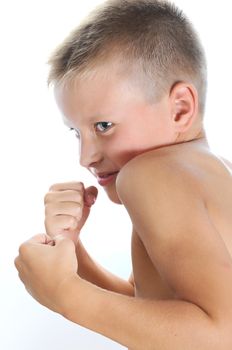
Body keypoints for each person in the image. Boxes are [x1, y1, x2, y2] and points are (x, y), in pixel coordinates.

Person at [15, 0, 232, 348]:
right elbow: (152, 311)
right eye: (76, 132)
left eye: (103, 125)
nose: (85, 156)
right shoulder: (211, 173)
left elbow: (221, 334)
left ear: (180, 109)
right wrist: (73, 252)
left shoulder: (150, 174)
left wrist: (65, 294)